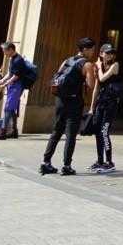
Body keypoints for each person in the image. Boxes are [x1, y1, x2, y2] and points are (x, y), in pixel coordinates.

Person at [41, 36, 97, 177]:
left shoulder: (67, 60)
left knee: (56, 131)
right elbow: (91, 85)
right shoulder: (87, 64)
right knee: (71, 134)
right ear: (85, 49)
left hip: (60, 100)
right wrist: (93, 73)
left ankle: (46, 162)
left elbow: (57, 77)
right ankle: (67, 166)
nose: (93, 52)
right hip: (74, 101)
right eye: (92, 50)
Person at [91, 43, 123, 173]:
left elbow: (103, 78)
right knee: (97, 132)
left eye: (112, 53)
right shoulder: (99, 67)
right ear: (101, 54)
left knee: (104, 131)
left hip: (111, 104)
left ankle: (109, 162)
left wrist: (99, 66)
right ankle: (100, 161)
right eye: (107, 53)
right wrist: (92, 107)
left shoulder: (115, 65)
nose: (110, 55)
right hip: (101, 103)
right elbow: (96, 87)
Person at [0, 42, 30, 140]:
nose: (4, 53)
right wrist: (1, 81)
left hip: (17, 86)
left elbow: (15, 76)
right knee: (11, 108)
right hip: (12, 86)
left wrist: (4, 84)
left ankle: (3, 131)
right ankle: (14, 131)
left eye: (5, 51)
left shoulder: (18, 60)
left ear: (11, 50)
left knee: (8, 108)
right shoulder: (12, 59)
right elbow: (10, 73)